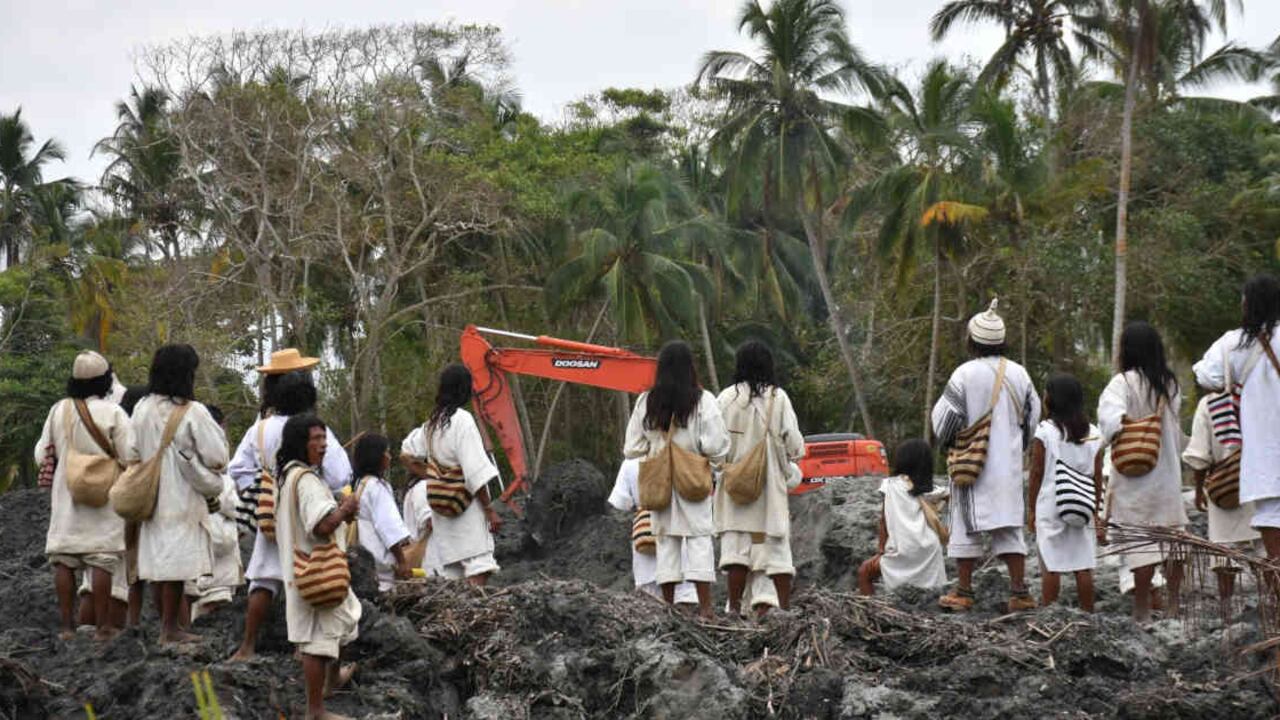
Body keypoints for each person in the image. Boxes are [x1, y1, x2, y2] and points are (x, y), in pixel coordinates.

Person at [229, 359, 352, 661]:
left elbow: (238, 470)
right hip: (309, 510)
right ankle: (304, 648)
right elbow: (339, 475)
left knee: (263, 578)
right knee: (311, 575)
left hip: (272, 513)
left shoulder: (259, 429)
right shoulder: (315, 430)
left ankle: (247, 646)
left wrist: (263, 490)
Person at [931, 299, 1040, 612]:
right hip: (1006, 465)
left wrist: (950, 440)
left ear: (971, 340)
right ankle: (1019, 592)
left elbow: (944, 421)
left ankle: (964, 591)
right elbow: (1032, 420)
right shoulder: (1020, 374)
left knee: (966, 523)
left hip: (972, 463)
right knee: (1009, 526)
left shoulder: (964, 374)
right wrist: (1014, 445)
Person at [127, 344, 228, 644]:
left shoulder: (142, 408)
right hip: (181, 499)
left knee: (160, 566)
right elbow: (217, 456)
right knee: (175, 569)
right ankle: (170, 630)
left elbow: (131, 450)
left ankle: (168, 626)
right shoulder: (193, 412)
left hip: (150, 497)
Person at [624, 341, 731, 620]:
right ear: (690, 367)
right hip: (692, 478)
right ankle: (706, 608)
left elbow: (632, 448)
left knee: (666, 542)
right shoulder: (702, 400)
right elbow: (717, 445)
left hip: (659, 482)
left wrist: (657, 449)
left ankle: (669, 608)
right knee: (698, 541)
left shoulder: (646, 401)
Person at [36, 351, 134, 641]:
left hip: (66, 493)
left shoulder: (59, 409)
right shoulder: (113, 412)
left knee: (63, 559)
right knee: (102, 557)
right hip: (104, 495)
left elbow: (42, 452)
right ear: (105, 380)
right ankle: (103, 627)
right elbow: (130, 455)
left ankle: (67, 627)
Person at [1098, 321, 1188, 623]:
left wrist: (1129, 425)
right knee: (1174, 538)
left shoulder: (1121, 384)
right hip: (1166, 473)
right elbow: (1174, 431)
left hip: (1133, 476)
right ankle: (1174, 604)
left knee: (1141, 543)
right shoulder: (1170, 384)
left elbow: (1109, 424)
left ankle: (1141, 608)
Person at [275, 414, 360, 720]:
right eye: (315, 439)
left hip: (302, 567)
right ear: (301, 443)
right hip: (315, 570)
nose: (323, 445)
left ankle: (333, 681)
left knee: (342, 623)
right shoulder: (307, 481)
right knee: (316, 639)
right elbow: (322, 525)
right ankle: (316, 711)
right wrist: (345, 509)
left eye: (324, 438)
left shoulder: (289, 476)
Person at [1194, 273, 1280, 561]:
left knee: (1271, 519)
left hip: (1265, 457)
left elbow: (1207, 376)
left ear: (1248, 305)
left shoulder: (1232, 344)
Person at [714, 341, 805, 614]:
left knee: (736, 554)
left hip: (734, 487)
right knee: (775, 553)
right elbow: (795, 446)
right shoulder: (779, 398)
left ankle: (733, 610)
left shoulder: (725, 398)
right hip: (769, 489)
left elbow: (715, 447)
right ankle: (783, 611)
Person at [400, 364, 504, 586]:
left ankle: (459, 616)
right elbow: (475, 472)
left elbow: (406, 453)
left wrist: (432, 476)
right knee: (480, 566)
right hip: (466, 508)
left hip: (443, 512)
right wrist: (489, 510)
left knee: (454, 574)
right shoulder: (462, 420)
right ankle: (473, 611)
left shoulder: (432, 424)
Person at [1027, 375, 1103, 612]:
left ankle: (1049, 611)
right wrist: (1096, 508)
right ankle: (1088, 612)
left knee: (1051, 562)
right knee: (1083, 563)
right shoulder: (1093, 433)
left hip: (1051, 503)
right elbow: (1098, 474)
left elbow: (1036, 472)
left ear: (1053, 399)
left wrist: (1031, 508)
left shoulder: (1046, 431)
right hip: (1083, 502)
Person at [1183, 387, 1260, 606]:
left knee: (1224, 552)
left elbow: (1200, 455)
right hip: (1262, 480)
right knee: (1267, 549)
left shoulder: (1209, 403)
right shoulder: (1261, 393)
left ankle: (1227, 609)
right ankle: (1273, 604)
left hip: (1225, 487)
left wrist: (1199, 491)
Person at [858, 439, 947, 595]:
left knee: (864, 572)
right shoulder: (933, 490)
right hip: (930, 549)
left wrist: (881, 551)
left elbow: (884, 521)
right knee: (933, 591)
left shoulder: (891, 485)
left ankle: (870, 611)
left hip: (903, 549)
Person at [607, 458, 699, 605]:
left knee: (650, 607)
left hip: (646, 536)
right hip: (679, 532)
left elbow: (622, 503)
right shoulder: (680, 456)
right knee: (684, 603)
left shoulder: (630, 463)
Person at [182, 404, 244, 624]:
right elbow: (232, 505)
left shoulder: (185, 466)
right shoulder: (217, 475)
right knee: (213, 612)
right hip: (218, 554)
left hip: (197, 551)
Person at [352, 434, 413, 592]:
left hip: (365, 565)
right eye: (386, 452)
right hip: (382, 568)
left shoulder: (360, 484)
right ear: (376, 456)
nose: (389, 457)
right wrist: (402, 561)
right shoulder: (377, 487)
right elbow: (388, 528)